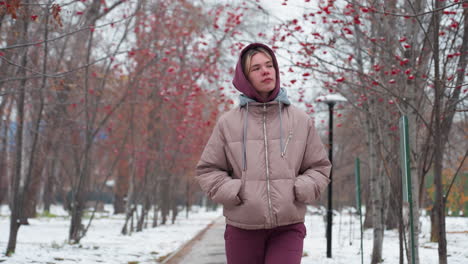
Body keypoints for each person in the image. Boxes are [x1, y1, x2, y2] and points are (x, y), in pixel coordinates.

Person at [195, 43, 331, 264]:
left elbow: (319, 167)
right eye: (256, 68)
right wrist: (235, 191)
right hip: (242, 227)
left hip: (288, 227)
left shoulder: (299, 120)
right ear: (245, 77)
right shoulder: (228, 123)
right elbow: (207, 170)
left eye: (269, 65)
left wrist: (300, 189)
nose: (266, 71)